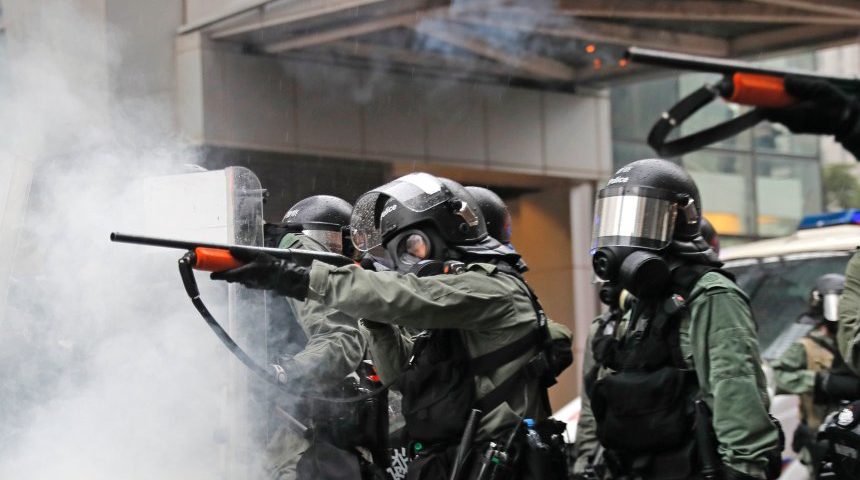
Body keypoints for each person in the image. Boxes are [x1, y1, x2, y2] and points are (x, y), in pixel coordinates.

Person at [212, 172, 571, 479]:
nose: (406, 263)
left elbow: (405, 295)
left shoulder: (493, 289)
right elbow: (398, 376)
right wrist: (377, 322)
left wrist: (295, 276)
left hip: (499, 464)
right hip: (454, 463)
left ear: (447, 234)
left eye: (412, 247)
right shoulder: (453, 315)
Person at [574, 158, 781, 480]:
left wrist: (744, 469)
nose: (624, 236)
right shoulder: (641, 300)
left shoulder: (710, 294)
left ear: (681, 221)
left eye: (641, 219)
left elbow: (735, 388)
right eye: (617, 219)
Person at [264, 195, 385, 480]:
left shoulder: (282, 257)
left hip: (305, 438)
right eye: (341, 241)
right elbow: (340, 340)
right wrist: (285, 372)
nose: (351, 252)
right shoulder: (304, 258)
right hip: (304, 436)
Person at [770, 274, 846, 474]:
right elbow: (776, 376)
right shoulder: (806, 346)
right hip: (822, 435)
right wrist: (818, 381)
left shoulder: (852, 344)